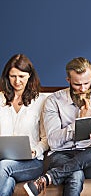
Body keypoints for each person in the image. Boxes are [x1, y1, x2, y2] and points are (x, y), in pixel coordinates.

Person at [24, 57, 91, 196]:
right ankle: (57, 174)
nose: (83, 88)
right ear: (68, 80)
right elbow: (53, 141)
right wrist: (81, 121)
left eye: (86, 83)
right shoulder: (54, 101)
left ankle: (49, 177)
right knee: (76, 174)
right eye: (77, 84)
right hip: (62, 155)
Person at [0, 54, 48, 196]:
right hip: (3, 160)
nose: (17, 81)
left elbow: (46, 140)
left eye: (21, 76)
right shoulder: (0, 99)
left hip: (31, 163)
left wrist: (35, 151)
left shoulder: (41, 101)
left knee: (4, 167)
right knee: (7, 182)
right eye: (13, 76)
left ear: (30, 76)